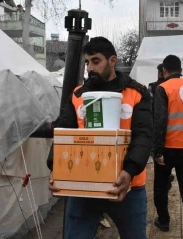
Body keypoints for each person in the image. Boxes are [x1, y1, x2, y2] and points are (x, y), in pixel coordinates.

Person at [48, 36, 153, 239]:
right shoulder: (78, 95)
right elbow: (63, 133)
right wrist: (55, 169)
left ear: (112, 61)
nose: (90, 68)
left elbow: (144, 136)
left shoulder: (137, 92)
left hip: (126, 187)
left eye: (96, 61)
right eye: (87, 62)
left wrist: (130, 171)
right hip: (85, 187)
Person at [153, 55, 183, 239]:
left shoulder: (163, 88)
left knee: (160, 186)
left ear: (164, 71)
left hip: (168, 149)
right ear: (181, 71)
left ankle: (164, 221)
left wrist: (157, 151)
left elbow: (159, 122)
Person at [148, 64, 175, 191]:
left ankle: (164, 178)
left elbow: (149, 105)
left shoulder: (153, 86)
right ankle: (168, 175)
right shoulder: (174, 88)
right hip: (172, 129)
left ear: (160, 73)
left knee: (158, 157)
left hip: (156, 125)